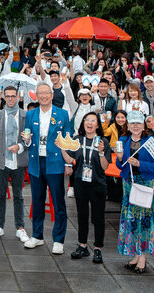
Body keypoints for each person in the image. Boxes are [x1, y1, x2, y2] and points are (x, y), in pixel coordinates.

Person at [22, 82, 70, 253]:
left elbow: (67, 139)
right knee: (37, 200)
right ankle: (37, 235)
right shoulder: (31, 114)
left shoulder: (62, 114)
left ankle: (59, 240)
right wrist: (26, 141)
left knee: (58, 202)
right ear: (36, 96)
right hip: (36, 162)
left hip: (55, 162)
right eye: (40, 93)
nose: (43, 96)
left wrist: (67, 163)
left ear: (51, 95)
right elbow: (26, 138)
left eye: (46, 93)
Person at [60, 111, 111, 264]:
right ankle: (82, 245)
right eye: (87, 120)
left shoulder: (102, 142)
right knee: (82, 215)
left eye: (93, 120)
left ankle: (98, 248)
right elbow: (70, 159)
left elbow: (105, 167)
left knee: (98, 217)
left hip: (97, 184)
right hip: (80, 182)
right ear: (83, 123)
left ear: (97, 125)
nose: (89, 123)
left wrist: (101, 153)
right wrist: (62, 148)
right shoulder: (77, 140)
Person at [116, 111, 154, 273]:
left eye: (138, 123)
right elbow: (120, 166)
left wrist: (139, 164)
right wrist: (120, 158)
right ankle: (136, 254)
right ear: (127, 125)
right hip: (129, 184)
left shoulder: (152, 141)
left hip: (146, 184)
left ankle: (142, 256)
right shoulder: (123, 140)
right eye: (132, 123)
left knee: (143, 220)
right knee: (131, 220)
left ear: (144, 125)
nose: (135, 126)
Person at [0, 85, 29, 243]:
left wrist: (21, 145)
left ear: (18, 97)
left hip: (18, 160)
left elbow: (29, 140)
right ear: (4, 97)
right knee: (0, 194)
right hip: (2, 160)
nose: (10, 99)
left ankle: (20, 227)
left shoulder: (25, 116)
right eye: (8, 96)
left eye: (13, 96)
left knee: (18, 195)